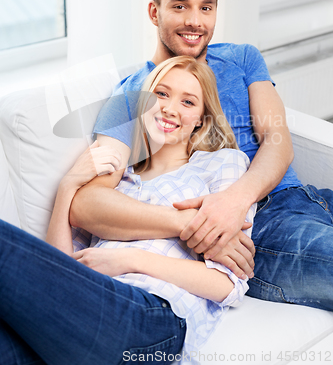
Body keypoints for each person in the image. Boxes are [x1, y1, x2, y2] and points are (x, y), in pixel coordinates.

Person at [70, 0, 333, 312]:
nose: (195, 21)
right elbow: (88, 204)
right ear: (154, 11)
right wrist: (194, 223)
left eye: (206, 8)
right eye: (180, 6)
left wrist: (234, 199)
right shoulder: (131, 95)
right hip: (259, 228)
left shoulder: (242, 58)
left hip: (302, 197)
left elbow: (277, 138)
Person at [0, 57, 254, 364]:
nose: (170, 108)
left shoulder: (221, 164)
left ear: (201, 118)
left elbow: (228, 284)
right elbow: (64, 267)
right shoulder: (115, 179)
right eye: (161, 94)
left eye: (188, 102)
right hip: (86, 307)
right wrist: (67, 187)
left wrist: (128, 259)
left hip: (153, 317)